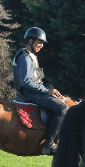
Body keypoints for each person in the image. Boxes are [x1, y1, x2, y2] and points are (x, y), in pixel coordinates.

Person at [11, 27, 68, 155]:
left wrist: (49, 90)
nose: (41, 45)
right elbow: (26, 82)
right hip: (29, 92)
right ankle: (48, 144)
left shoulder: (31, 55)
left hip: (34, 91)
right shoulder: (25, 56)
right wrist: (47, 91)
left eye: (43, 43)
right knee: (62, 109)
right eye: (39, 42)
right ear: (30, 40)